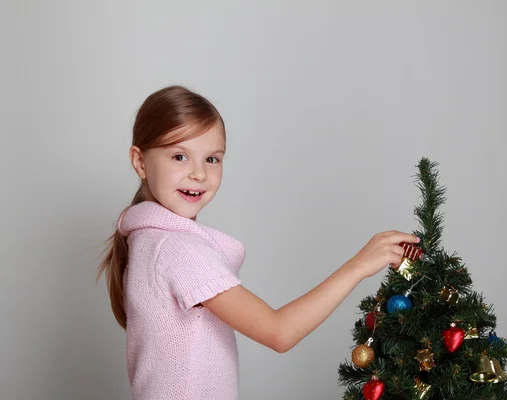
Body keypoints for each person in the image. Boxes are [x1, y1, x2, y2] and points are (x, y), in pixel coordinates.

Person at [97, 85, 420, 400]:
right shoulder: (178, 250)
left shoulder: (149, 241)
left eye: (212, 159)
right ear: (140, 162)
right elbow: (278, 332)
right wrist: (359, 265)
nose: (199, 173)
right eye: (179, 156)